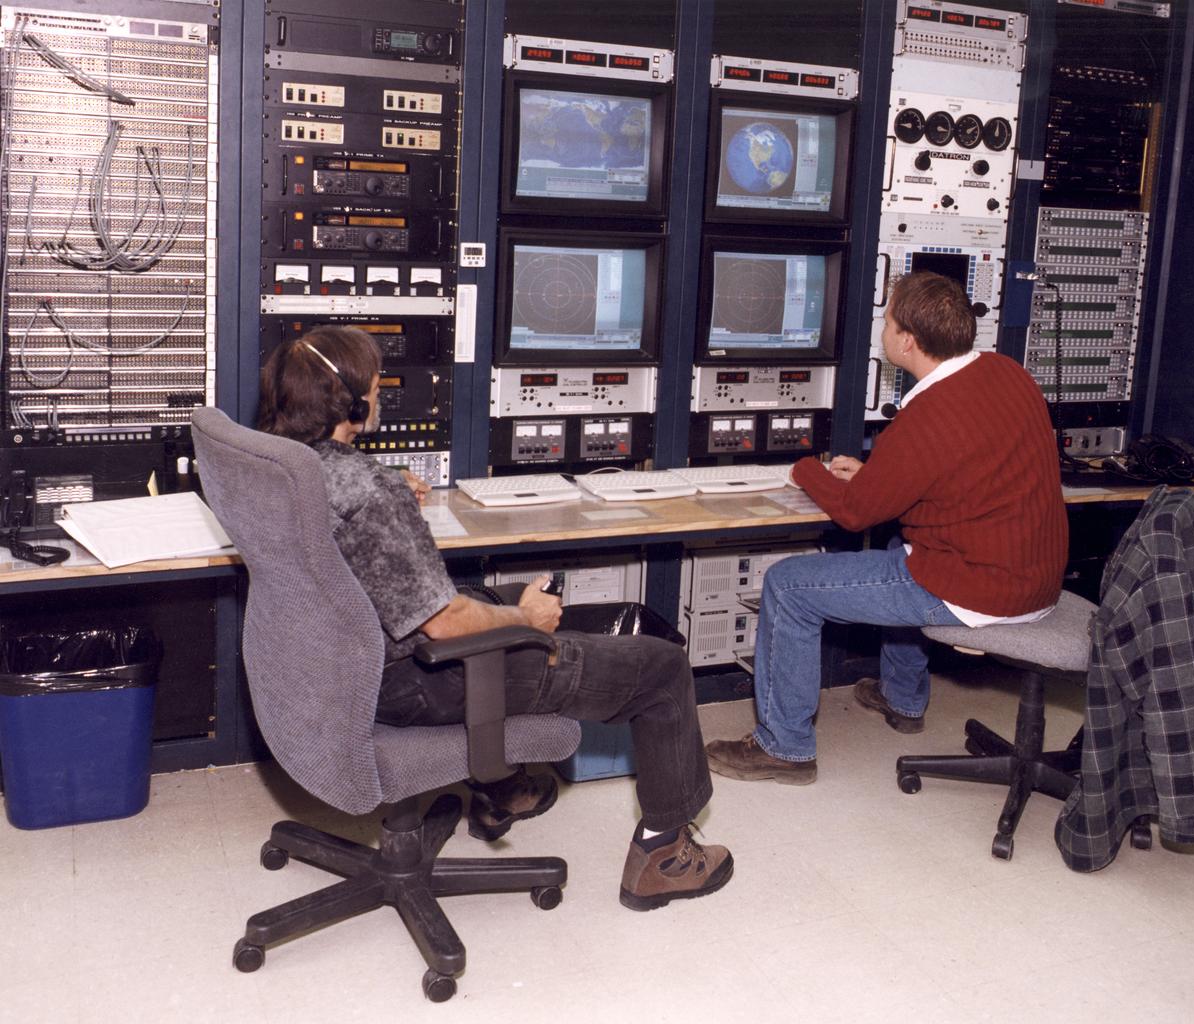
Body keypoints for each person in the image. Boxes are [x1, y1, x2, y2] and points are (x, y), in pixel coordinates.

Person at [256, 325, 732, 911]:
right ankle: (665, 855)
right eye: (376, 386)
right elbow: (444, 626)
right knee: (659, 668)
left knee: (492, 594)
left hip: (326, 669)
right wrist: (526, 622)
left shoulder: (277, 464)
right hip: (414, 681)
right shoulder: (367, 493)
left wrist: (384, 483)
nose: (380, 394)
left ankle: (501, 787)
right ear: (353, 403)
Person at [704, 271, 1069, 783]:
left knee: (788, 586)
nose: (883, 328)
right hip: (1038, 580)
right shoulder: (1006, 371)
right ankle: (903, 699)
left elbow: (855, 513)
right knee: (904, 541)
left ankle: (783, 749)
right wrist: (878, 476)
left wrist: (804, 470)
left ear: (907, 340)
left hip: (981, 589)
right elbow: (955, 471)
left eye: (888, 319)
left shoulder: (928, 417)